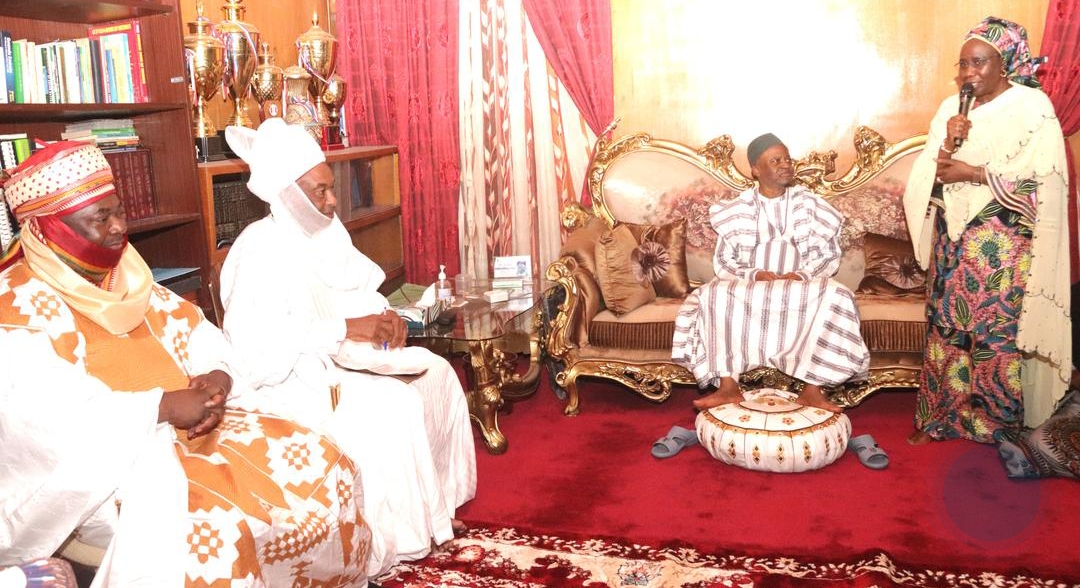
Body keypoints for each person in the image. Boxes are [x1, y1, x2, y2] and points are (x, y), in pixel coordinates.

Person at [0, 141, 370, 587]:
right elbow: (46, 421)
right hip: (117, 461)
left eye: (120, 211)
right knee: (221, 531)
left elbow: (198, 333)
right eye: (101, 219)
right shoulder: (16, 306)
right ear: (46, 228)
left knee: (327, 465)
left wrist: (217, 378)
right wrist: (163, 407)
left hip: (195, 426)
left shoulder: (126, 275)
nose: (120, 228)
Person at [217, 119, 477, 576]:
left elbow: (356, 290)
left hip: (340, 356)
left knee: (436, 374)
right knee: (394, 404)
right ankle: (397, 534)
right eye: (320, 192)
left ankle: (435, 505)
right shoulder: (257, 249)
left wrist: (385, 315)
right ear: (288, 193)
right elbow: (257, 348)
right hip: (291, 378)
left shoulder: (326, 232)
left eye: (330, 189)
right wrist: (346, 329)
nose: (331, 201)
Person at [902, 17, 1071, 445]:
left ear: (1006, 61)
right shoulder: (950, 108)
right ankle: (940, 419)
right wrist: (948, 143)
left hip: (1003, 244)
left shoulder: (1033, 108)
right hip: (953, 240)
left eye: (979, 62)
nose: (969, 72)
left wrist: (975, 173)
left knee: (996, 335)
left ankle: (996, 429)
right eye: (963, 64)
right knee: (946, 329)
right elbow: (929, 176)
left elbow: (1045, 186)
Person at [672, 133, 870, 412]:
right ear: (756, 169)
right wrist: (754, 274)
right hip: (751, 283)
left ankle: (813, 390)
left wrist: (802, 275)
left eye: (787, 159)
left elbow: (828, 255)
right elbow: (724, 260)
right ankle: (728, 387)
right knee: (713, 295)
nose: (785, 165)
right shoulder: (738, 208)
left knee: (837, 297)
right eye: (776, 161)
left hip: (801, 283)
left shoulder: (809, 204)